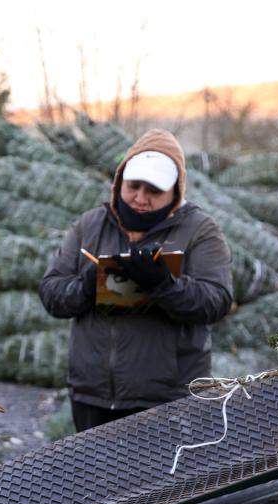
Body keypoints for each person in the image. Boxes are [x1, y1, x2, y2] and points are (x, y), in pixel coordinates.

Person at [39, 129, 233, 433]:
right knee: (97, 480)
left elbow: (217, 301)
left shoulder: (200, 231)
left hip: (169, 400)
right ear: (119, 182)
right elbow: (51, 293)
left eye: (154, 190)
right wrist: (87, 287)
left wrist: (165, 285)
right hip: (92, 397)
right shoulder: (90, 225)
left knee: (165, 482)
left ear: (175, 191)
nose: (141, 199)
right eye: (134, 186)